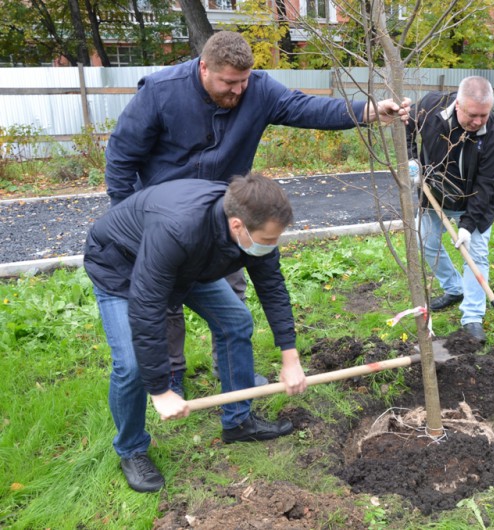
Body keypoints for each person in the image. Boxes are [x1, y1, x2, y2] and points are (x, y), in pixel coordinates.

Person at [104, 30, 408, 396]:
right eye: (228, 82)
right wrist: (129, 221)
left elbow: (306, 108)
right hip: (165, 219)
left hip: (228, 218)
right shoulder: (160, 91)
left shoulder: (258, 90)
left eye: (243, 81)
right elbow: (121, 156)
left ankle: (232, 373)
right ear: (204, 68)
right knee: (163, 298)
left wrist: (367, 111)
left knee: (232, 297)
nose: (237, 90)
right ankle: (170, 377)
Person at [85, 173, 308, 493]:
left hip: (187, 265)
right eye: (268, 240)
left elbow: (271, 287)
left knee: (236, 321)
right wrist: (160, 390)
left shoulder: (252, 223)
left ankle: (238, 421)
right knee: (132, 365)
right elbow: (148, 309)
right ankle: (131, 449)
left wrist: (290, 356)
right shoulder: (179, 228)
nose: (271, 246)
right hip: (121, 265)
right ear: (237, 226)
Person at [405, 76, 494, 342]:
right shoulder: (431, 106)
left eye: (484, 115)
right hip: (435, 196)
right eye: (473, 115)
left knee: (476, 255)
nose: (478, 121)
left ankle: (472, 316)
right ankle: (454, 288)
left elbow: (486, 187)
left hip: (475, 204)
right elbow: (406, 124)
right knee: (425, 242)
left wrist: (467, 225)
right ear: (458, 105)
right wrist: (411, 159)